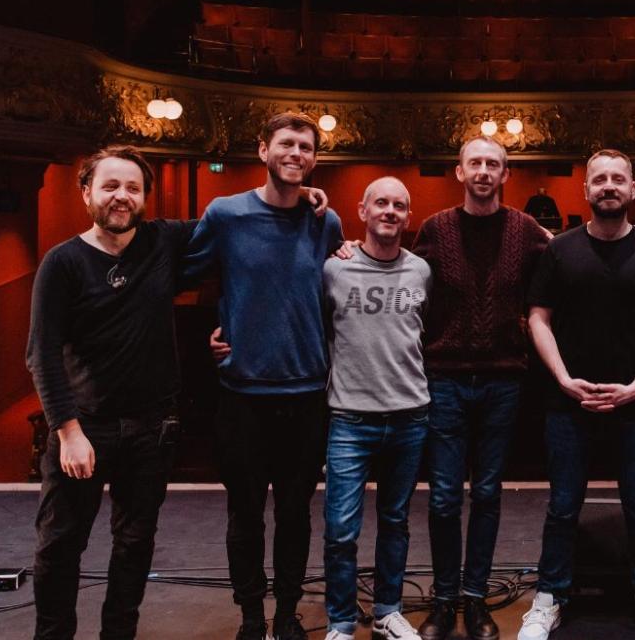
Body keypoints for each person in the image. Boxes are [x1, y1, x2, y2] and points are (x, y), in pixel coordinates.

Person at [186, 111, 345, 640]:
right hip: (242, 395)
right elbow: (184, 275)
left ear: (314, 159)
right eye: (286, 143)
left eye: (306, 146)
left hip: (305, 395)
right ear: (263, 150)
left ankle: (287, 614)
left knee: (296, 514)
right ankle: (253, 617)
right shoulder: (226, 214)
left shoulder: (325, 221)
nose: (295, 153)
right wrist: (207, 335)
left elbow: (331, 293)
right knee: (245, 514)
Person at [519, 149, 635, 640]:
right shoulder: (559, 251)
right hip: (569, 403)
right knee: (563, 507)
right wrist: (564, 378)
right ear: (586, 191)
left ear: (632, 189)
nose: (608, 186)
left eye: (618, 179)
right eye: (599, 179)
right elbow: (537, 318)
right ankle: (549, 597)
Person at [26, 146, 190, 640]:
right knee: (59, 545)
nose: (122, 197)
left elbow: (241, 218)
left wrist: (305, 196)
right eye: (111, 186)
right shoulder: (63, 263)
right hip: (84, 428)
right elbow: (41, 354)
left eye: (133, 188)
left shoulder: (163, 242)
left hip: (151, 429)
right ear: (86, 193)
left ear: (144, 197)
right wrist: (68, 432)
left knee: (135, 544)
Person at [415, 137, 550, 640]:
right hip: (445, 376)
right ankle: (444, 599)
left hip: (503, 378)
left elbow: (564, 264)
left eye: (493, 164)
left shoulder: (526, 229)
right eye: (476, 163)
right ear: (459, 171)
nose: (484, 171)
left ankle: (474, 601)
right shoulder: (435, 228)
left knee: (488, 493)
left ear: (505, 174)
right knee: (446, 496)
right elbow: (407, 284)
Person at [320, 177, 433, 640]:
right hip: (350, 417)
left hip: (410, 414)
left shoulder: (422, 271)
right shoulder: (334, 269)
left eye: (400, 206)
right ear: (362, 211)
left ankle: (387, 610)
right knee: (340, 531)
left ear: (408, 217)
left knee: (395, 522)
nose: (390, 211)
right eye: (381, 203)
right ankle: (342, 622)